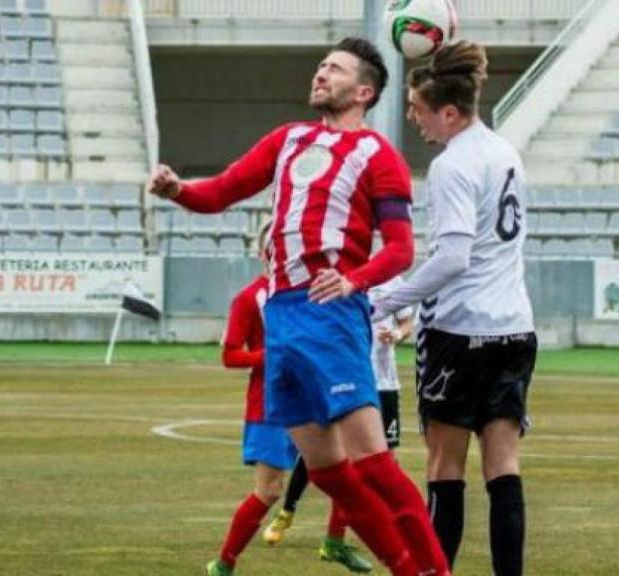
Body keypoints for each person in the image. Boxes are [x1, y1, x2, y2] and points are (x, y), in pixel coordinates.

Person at [147, 37, 449, 576]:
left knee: (374, 466)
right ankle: (407, 569)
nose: (320, 74)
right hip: (281, 319)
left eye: (334, 69)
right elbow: (221, 191)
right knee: (329, 473)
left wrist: (353, 281)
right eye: (320, 66)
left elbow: (401, 249)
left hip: (330, 315)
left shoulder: (378, 154)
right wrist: (177, 191)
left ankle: (435, 571)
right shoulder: (288, 139)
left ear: (363, 92)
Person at [371, 41, 537, 576]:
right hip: (514, 328)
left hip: (459, 330)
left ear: (448, 112)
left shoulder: (451, 164)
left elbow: (453, 257)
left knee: (445, 466)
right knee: (503, 467)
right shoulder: (505, 152)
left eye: (417, 108)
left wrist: (384, 302)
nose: (412, 117)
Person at [206, 224, 372, 576]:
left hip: (315, 400)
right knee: (269, 491)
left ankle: (334, 542)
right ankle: (224, 563)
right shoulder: (249, 299)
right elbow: (230, 355)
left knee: (347, 473)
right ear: (263, 252)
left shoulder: (313, 291)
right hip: (269, 407)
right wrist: (274, 355)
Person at [263, 274, 414, 545]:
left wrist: (397, 334)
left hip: (384, 382)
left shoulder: (393, 280)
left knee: (385, 459)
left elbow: (407, 323)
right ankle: (288, 510)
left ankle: (337, 538)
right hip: (344, 377)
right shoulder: (341, 275)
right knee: (324, 452)